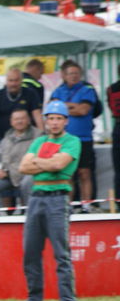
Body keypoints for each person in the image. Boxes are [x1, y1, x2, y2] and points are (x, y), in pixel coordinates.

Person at [15, 99, 80, 301]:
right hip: (36, 197)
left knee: (61, 253)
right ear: (45, 121)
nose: (54, 122)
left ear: (65, 121)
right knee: (31, 252)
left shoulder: (72, 141)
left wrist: (40, 162)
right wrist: (49, 162)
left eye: (59, 118)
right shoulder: (39, 141)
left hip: (57, 199)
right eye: (51, 118)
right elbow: (23, 167)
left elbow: (59, 165)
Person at [49, 60, 101, 210]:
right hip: (64, 139)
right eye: (71, 73)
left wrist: (64, 107)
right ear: (64, 76)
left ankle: (87, 206)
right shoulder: (58, 91)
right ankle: (69, 206)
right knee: (68, 173)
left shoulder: (87, 89)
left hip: (83, 138)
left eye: (77, 73)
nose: (74, 76)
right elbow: (54, 110)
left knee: (84, 172)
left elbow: (83, 110)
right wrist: (73, 107)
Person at [0, 109, 37, 212]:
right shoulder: (7, 136)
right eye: (16, 119)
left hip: (29, 173)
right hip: (8, 175)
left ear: (29, 120)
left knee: (27, 183)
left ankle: (30, 214)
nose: (19, 121)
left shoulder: (38, 135)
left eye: (22, 118)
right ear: (11, 122)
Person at [0, 68, 43, 150]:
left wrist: (41, 137)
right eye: (10, 80)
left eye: (16, 80)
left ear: (21, 80)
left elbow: (37, 116)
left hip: (27, 139)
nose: (13, 83)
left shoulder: (31, 94)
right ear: (6, 81)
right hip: (1, 139)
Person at [108, 65, 120, 201]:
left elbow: (110, 107)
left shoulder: (111, 89)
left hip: (117, 126)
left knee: (118, 169)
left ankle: (118, 200)